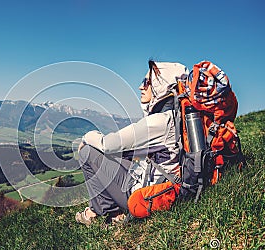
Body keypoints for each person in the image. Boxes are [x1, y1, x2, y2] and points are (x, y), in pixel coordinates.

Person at [75, 61, 188, 226]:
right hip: (163, 183)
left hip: (144, 194)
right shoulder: (176, 116)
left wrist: (86, 137)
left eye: (147, 82)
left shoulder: (158, 122)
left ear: (161, 85)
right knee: (112, 154)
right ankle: (99, 208)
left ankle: (108, 211)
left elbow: (107, 143)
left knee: (88, 152)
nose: (140, 87)